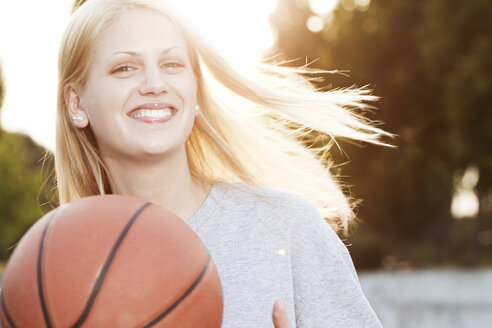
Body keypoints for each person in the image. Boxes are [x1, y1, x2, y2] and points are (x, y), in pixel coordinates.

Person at [57, 0, 391, 326]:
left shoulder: (287, 230)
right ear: (77, 103)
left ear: (196, 89)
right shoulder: (57, 266)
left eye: (172, 64)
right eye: (124, 68)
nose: (155, 84)